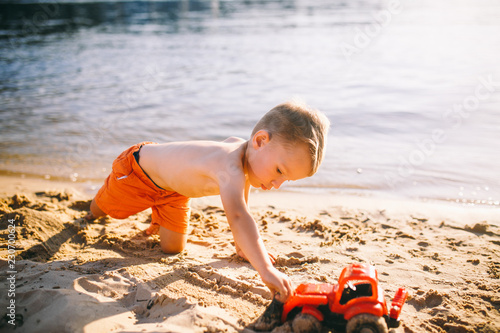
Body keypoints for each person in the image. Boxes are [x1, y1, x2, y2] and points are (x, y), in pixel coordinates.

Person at [86, 101, 330, 302]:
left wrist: (242, 247)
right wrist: (265, 269)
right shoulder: (228, 163)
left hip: (174, 192)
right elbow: (237, 216)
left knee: (172, 248)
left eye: (286, 180)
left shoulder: (243, 159)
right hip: (137, 172)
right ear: (260, 141)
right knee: (108, 208)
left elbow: (241, 204)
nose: (277, 184)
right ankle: (94, 205)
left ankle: (157, 212)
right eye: (279, 170)